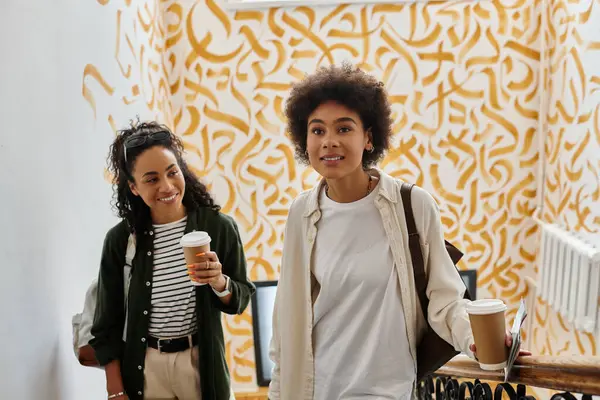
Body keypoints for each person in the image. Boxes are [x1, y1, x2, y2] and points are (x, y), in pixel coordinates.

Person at [267, 64, 530, 400]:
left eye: (344, 128)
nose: (329, 141)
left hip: (387, 391)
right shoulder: (301, 213)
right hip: (315, 389)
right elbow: (286, 319)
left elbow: (446, 300)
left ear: (369, 137)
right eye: (317, 131)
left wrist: (477, 339)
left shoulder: (412, 205)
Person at [91, 120, 255, 400]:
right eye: (152, 179)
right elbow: (107, 324)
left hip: (199, 364)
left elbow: (240, 298)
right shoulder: (121, 241)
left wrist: (219, 281)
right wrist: (115, 389)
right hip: (146, 367)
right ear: (133, 187)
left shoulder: (218, 227)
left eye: (172, 172)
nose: (167, 187)